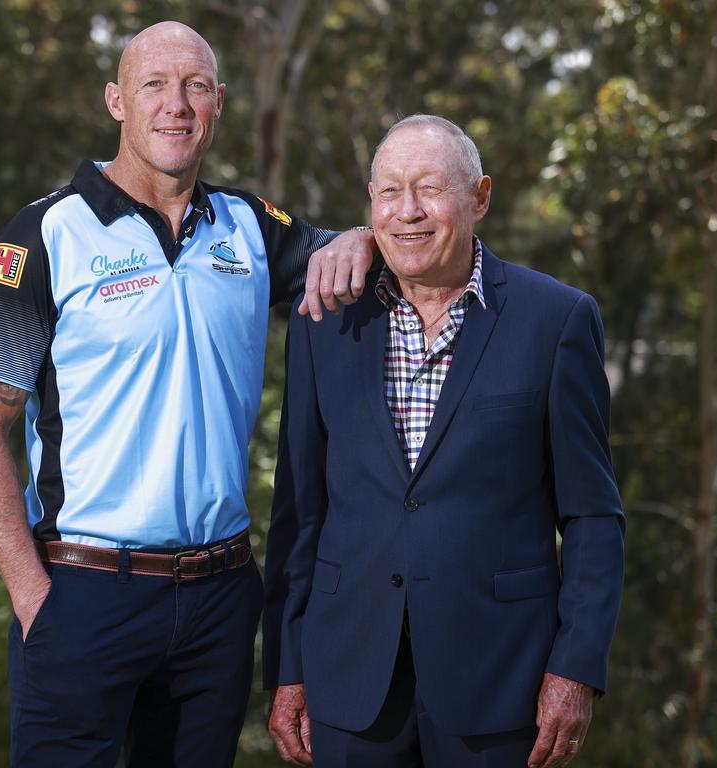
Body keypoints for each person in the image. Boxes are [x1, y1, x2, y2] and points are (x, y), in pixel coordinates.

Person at [0, 20, 375, 768]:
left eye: (197, 87)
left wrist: (365, 236)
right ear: (117, 100)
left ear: (218, 106)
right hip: (81, 593)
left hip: (217, 600)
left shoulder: (247, 226)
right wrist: (33, 600)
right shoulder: (46, 235)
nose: (175, 105)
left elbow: (344, 254)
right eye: (154, 85)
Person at [263, 114, 625, 768]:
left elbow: (593, 516)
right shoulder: (324, 323)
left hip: (499, 683)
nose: (408, 212)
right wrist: (287, 668)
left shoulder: (557, 321)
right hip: (349, 681)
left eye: (430, 189)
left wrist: (575, 669)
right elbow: (300, 510)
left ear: (479, 197)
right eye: (389, 192)